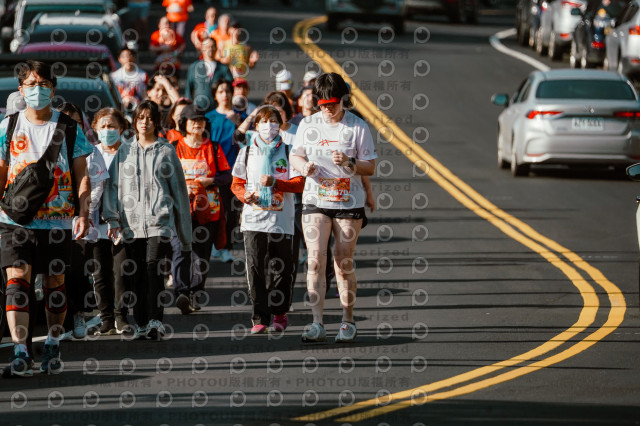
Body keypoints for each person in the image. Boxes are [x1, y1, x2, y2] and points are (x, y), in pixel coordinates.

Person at [0, 60, 92, 376]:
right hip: (15, 220)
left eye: (43, 84)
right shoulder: (8, 127)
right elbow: (1, 174)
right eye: (31, 84)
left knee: (55, 284)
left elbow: (82, 176)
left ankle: (52, 343)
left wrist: (83, 213)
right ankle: (21, 351)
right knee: (17, 283)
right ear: (21, 89)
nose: (37, 90)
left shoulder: (69, 127)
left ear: (52, 90)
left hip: (57, 222)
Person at [290, 72, 377, 343]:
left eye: (333, 104)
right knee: (315, 260)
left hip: (348, 202)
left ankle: (347, 320)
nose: (327, 109)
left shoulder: (357, 127)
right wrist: (304, 167)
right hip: (315, 199)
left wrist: (350, 162)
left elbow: (370, 166)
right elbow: (295, 155)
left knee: (342, 261)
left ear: (343, 100)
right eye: (323, 104)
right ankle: (317, 323)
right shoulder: (308, 124)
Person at [102, 100, 192, 340]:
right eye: (140, 118)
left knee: (153, 268)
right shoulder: (124, 151)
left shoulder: (166, 151)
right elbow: (112, 187)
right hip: (130, 225)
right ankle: (141, 322)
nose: (145, 122)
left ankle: (155, 321)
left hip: (159, 223)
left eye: (150, 118)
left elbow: (179, 193)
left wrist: (185, 236)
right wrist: (112, 219)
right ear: (134, 121)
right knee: (137, 273)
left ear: (157, 122)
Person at [231, 105, 304, 333]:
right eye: (264, 121)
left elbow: (300, 183)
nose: (268, 126)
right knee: (255, 268)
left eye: (273, 121)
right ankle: (260, 317)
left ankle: (280, 312)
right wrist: (245, 196)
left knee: (282, 267)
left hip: (281, 220)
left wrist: (276, 183)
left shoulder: (289, 151)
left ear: (279, 125)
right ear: (256, 125)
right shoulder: (247, 152)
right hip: (254, 219)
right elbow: (236, 183)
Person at [172, 104, 231, 313]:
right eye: (193, 120)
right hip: (180, 209)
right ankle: (181, 293)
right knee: (179, 249)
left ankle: (195, 294)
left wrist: (210, 181)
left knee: (202, 254)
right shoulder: (174, 147)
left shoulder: (213, 147)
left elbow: (227, 176)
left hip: (209, 210)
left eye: (201, 120)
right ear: (184, 123)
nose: (197, 124)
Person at [57, 102, 108, 340]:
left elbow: (96, 184)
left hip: (81, 221)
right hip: (52, 220)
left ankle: (77, 314)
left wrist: (84, 212)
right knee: (57, 272)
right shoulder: (47, 149)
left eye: (76, 122)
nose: (72, 127)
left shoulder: (90, 150)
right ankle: (60, 321)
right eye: (67, 122)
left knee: (77, 269)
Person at [89, 107, 132, 335]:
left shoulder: (129, 153)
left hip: (123, 222)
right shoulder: (90, 153)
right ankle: (106, 318)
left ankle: (121, 316)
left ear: (121, 128)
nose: (107, 130)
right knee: (100, 272)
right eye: (103, 126)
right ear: (95, 128)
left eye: (112, 126)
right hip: (96, 223)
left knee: (121, 271)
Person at [206, 79, 241, 263]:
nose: (224, 95)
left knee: (232, 212)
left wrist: (239, 123)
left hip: (234, 171)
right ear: (215, 95)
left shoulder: (239, 116)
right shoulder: (209, 117)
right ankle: (214, 244)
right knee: (215, 210)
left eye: (227, 91)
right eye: (220, 91)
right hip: (214, 172)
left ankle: (227, 247)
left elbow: (245, 139)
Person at [185, 37, 233, 112]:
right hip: (198, 111)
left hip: (218, 111)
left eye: (212, 46)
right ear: (202, 49)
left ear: (216, 48)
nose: (210, 49)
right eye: (207, 47)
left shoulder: (224, 68)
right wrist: (189, 108)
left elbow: (231, 87)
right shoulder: (194, 67)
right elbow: (188, 89)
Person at [111, 48, 148, 114]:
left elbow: (145, 95)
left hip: (138, 110)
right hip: (120, 110)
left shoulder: (143, 75)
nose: (127, 58)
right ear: (119, 59)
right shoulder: (114, 76)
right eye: (124, 56)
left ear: (134, 58)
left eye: (130, 55)